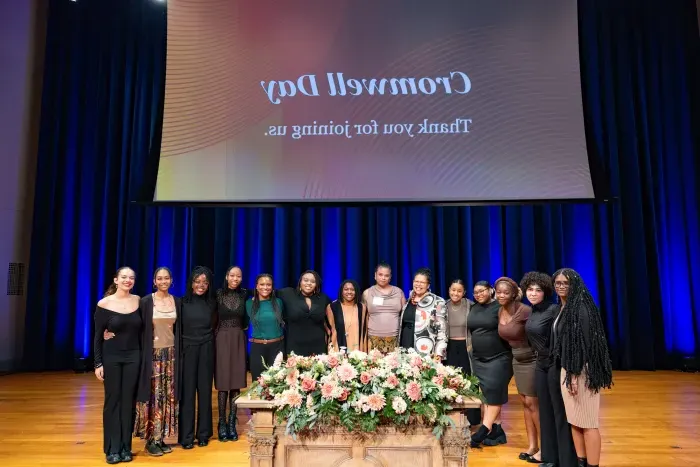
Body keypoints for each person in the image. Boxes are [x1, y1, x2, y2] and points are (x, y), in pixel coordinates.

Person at [552, 268, 613, 467]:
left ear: (574, 285)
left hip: (581, 371)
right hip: (568, 370)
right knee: (575, 420)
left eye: (565, 283)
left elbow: (586, 345)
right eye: (558, 283)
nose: (560, 286)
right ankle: (581, 461)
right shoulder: (564, 307)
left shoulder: (582, 308)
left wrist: (575, 373)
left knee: (588, 422)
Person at [522, 271, 577, 467]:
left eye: (538, 290)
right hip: (540, 364)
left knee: (558, 412)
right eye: (530, 289)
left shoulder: (553, 310)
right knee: (545, 411)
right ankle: (549, 456)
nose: (533, 293)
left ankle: (565, 459)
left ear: (546, 292)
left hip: (554, 364)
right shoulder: (533, 310)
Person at [93, 267, 142, 464]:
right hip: (111, 356)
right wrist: (97, 363)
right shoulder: (104, 304)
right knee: (113, 401)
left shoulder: (138, 301)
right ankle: (112, 448)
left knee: (128, 401)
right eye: (124, 277)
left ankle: (125, 446)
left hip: (134, 356)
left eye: (131, 277)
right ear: (116, 279)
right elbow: (98, 336)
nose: (128, 280)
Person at [133, 267, 181, 456]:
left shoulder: (176, 301)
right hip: (152, 356)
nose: (163, 281)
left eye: (166, 278)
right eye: (159, 278)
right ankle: (150, 439)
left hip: (171, 355)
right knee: (153, 397)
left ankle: (160, 438)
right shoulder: (146, 301)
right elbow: (133, 325)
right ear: (154, 281)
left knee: (166, 397)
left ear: (171, 280)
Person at [495, 276, 540, 462]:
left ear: (514, 294)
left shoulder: (525, 310)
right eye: (498, 292)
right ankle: (532, 446)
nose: (501, 295)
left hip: (531, 359)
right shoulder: (499, 311)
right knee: (525, 403)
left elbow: (539, 331)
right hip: (517, 360)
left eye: (506, 292)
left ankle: (546, 448)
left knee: (533, 404)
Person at [467, 281, 511, 448]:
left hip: (498, 357)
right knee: (486, 393)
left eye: (482, 291)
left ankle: (484, 429)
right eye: (475, 292)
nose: (478, 294)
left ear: (491, 290)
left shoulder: (499, 306)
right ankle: (497, 430)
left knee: (494, 391)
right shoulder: (474, 308)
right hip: (478, 358)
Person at [178, 266, 216, 449]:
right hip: (187, 350)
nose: (201, 285)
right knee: (187, 394)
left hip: (207, 349)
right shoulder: (182, 302)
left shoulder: (212, 303)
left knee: (205, 392)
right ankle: (186, 436)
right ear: (191, 283)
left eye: (205, 282)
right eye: (197, 281)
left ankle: (203, 433)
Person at [214, 266, 249, 442]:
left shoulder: (244, 294)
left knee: (235, 382)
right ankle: (221, 423)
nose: (235, 278)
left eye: (238, 276)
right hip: (221, 338)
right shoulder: (217, 294)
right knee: (223, 381)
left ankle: (231, 423)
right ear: (227, 276)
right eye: (232, 275)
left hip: (238, 338)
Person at [444, 279, 481, 427]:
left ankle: (473, 419)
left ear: (464, 292)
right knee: (450, 381)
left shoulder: (470, 305)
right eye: (453, 290)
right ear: (449, 290)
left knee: (469, 381)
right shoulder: (443, 305)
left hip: (466, 347)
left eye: (459, 291)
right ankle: (450, 417)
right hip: (449, 347)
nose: (456, 293)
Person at [277, 270, 337, 356]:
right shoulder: (287, 294)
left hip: (318, 347)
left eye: (313, 281)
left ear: (317, 284)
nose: (309, 283)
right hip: (294, 346)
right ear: (300, 281)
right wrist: (254, 297)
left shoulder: (323, 298)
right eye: (305, 280)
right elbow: (266, 292)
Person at [398, 268, 448, 360]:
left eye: (422, 282)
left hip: (425, 349)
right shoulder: (408, 300)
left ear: (428, 285)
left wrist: (439, 353)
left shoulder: (438, 302)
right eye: (416, 281)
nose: (418, 284)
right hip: (405, 344)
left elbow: (442, 331)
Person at [246, 273, 285, 380]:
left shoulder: (279, 302)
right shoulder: (249, 303)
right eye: (262, 284)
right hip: (258, 348)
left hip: (277, 346)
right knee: (258, 384)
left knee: (277, 383)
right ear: (256, 286)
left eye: (269, 285)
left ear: (272, 287)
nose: (265, 287)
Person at [362, 262, 406, 352]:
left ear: (390, 277)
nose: (383, 278)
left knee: (394, 365)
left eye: (386, 275)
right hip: (373, 337)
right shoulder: (367, 293)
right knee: (373, 365)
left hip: (394, 338)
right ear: (375, 275)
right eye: (380, 274)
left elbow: (404, 314)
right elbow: (362, 315)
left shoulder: (399, 292)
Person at [330, 279, 367, 352]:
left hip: (357, 351)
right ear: (341, 291)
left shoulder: (362, 308)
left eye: (352, 289)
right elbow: (328, 330)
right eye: (346, 289)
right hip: (337, 351)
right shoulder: (333, 307)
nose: (349, 292)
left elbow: (364, 332)